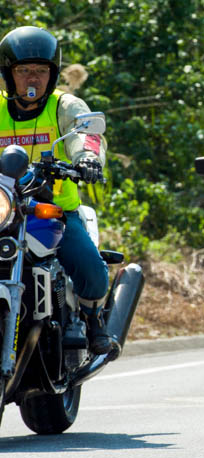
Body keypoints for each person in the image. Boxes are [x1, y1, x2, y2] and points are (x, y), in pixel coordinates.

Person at [0, 26, 111, 354]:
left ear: (52, 75)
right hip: (7, 212)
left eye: (40, 71)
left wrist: (88, 157)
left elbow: (86, 135)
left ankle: (92, 319)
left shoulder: (66, 105)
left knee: (91, 270)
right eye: (23, 71)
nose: (32, 79)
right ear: (9, 74)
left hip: (53, 212)